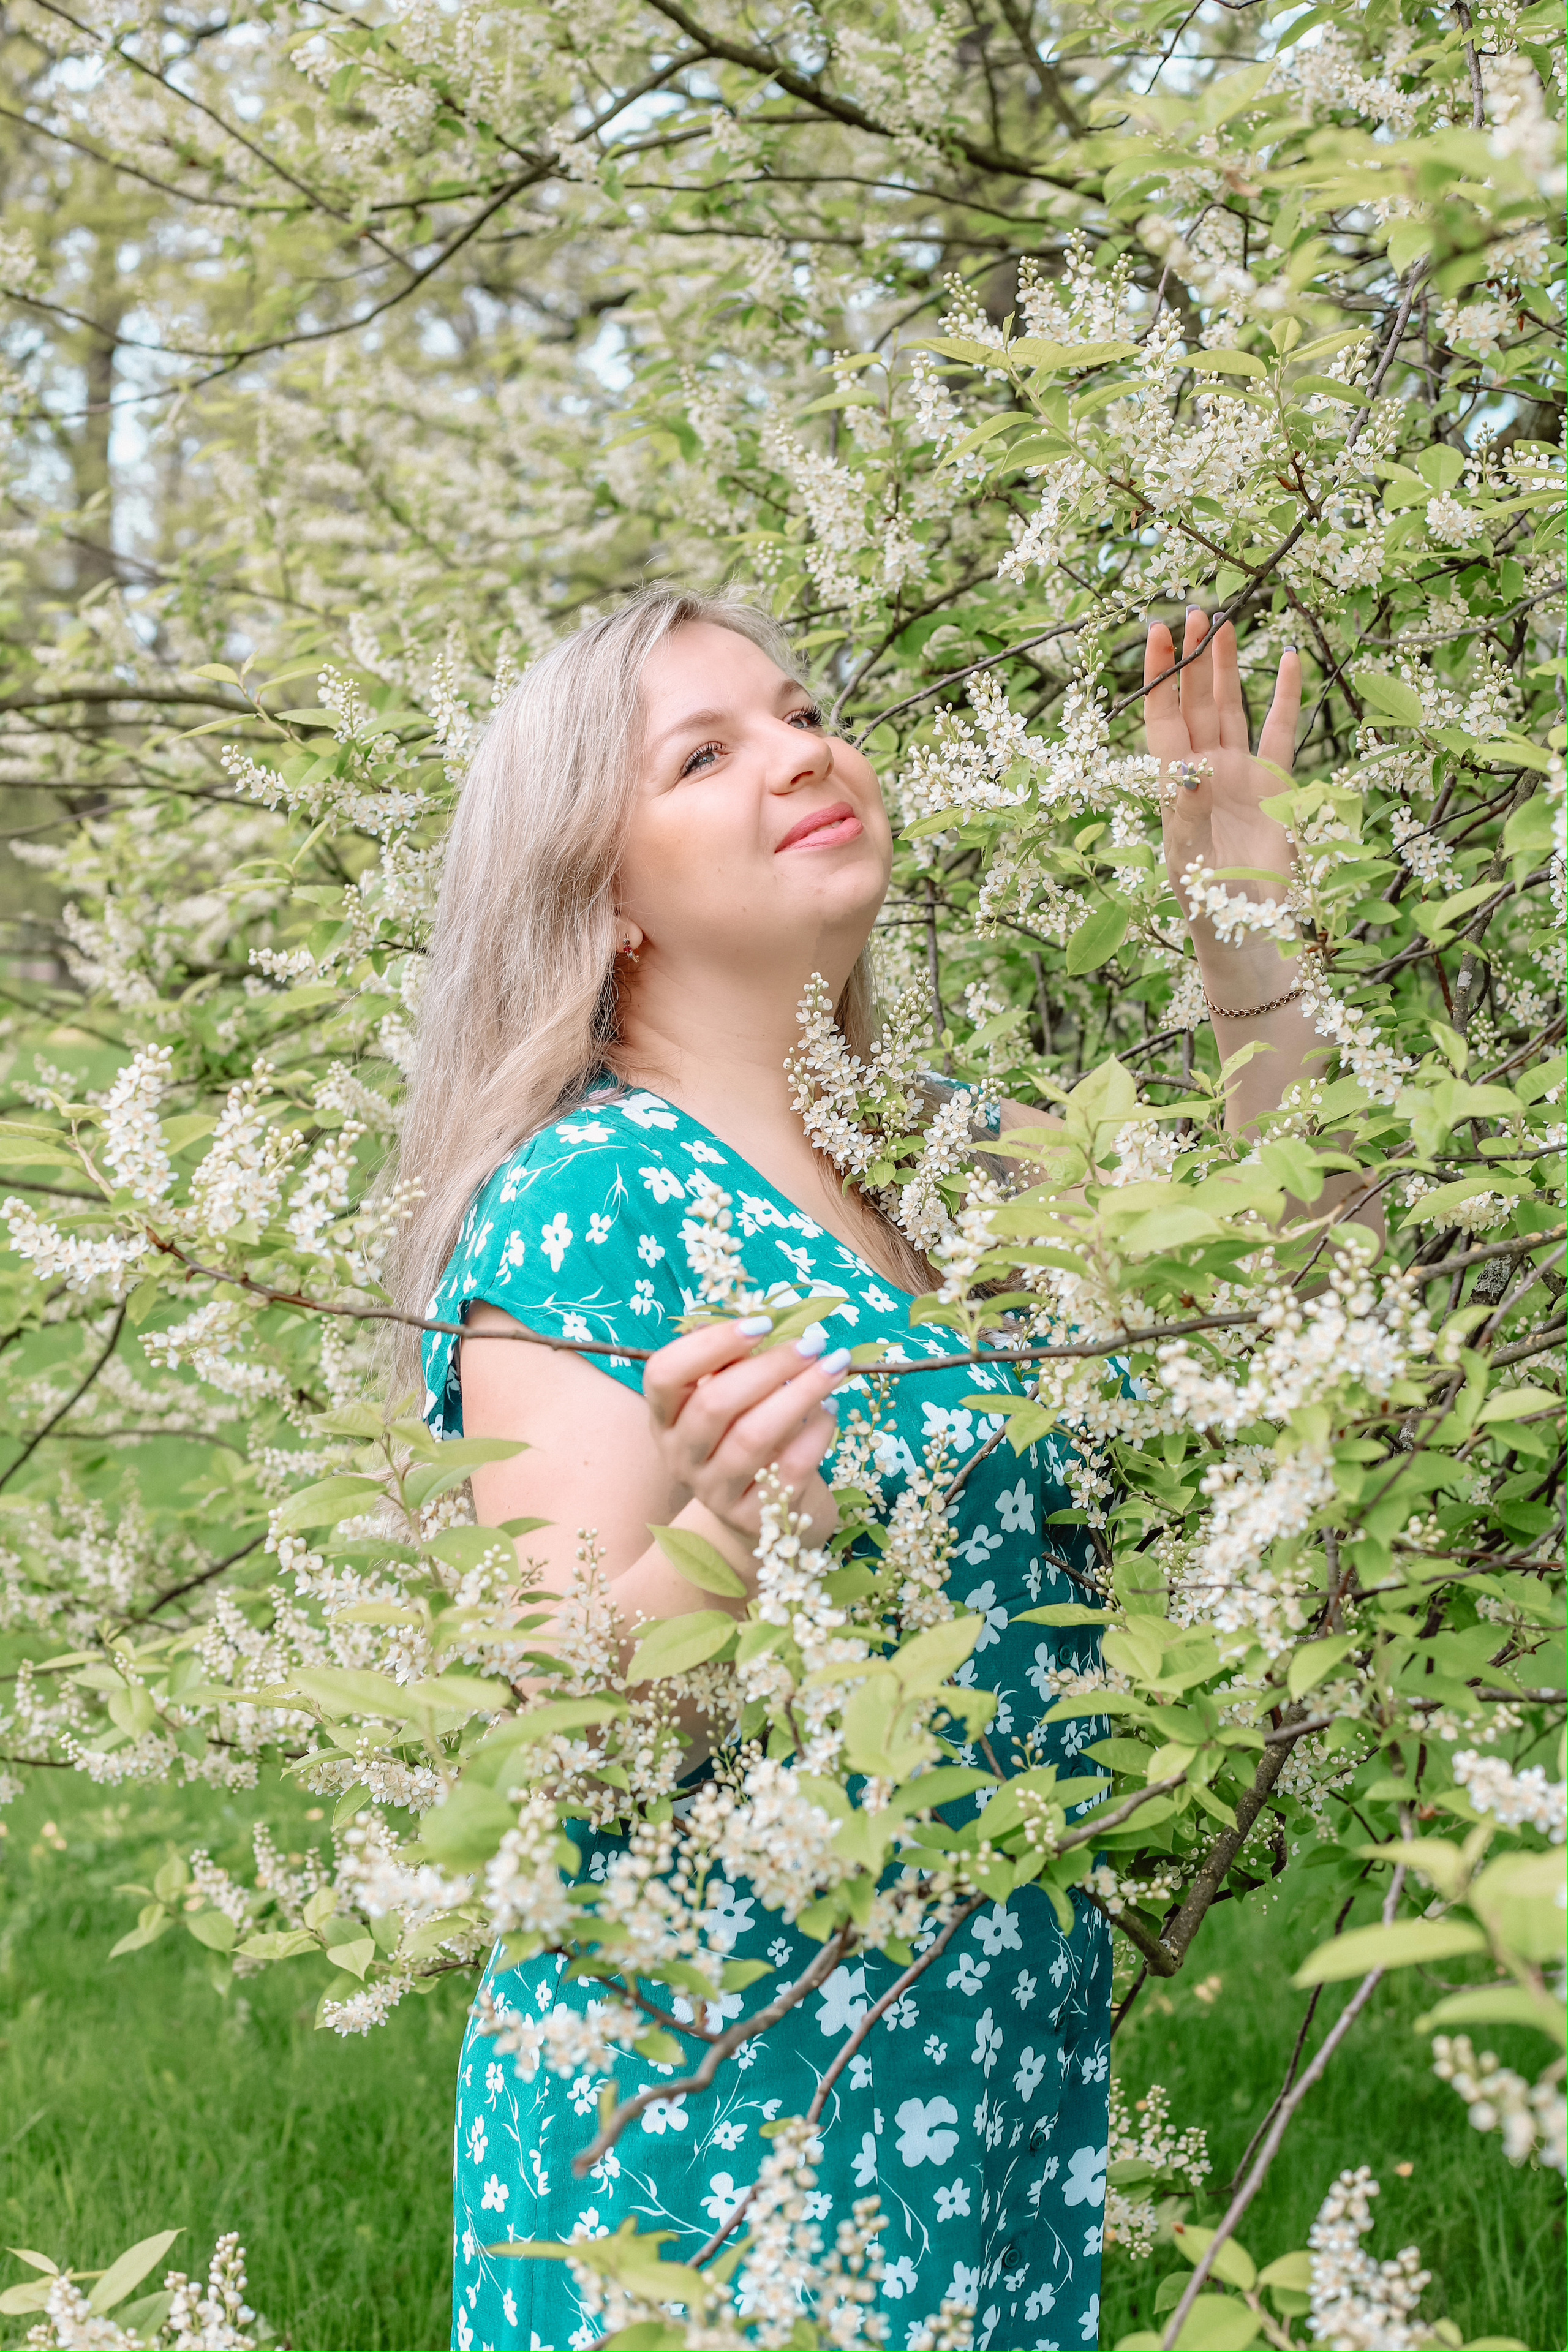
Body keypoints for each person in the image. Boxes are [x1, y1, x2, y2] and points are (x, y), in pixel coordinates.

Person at [394, 587, 1335, 2352]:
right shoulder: (591, 1202)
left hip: (982, 2062)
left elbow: (1318, 1311)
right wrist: (738, 1530)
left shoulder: (969, 1158)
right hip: (720, 2102)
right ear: (601, 893)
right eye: (705, 751)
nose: (802, 750)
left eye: (805, 710)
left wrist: (1246, 928)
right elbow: (563, 1705)